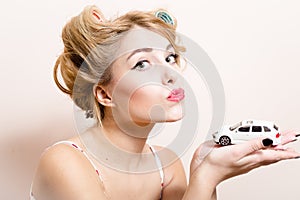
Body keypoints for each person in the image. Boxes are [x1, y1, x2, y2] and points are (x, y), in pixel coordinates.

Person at [30, 5, 300, 200]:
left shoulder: (166, 166)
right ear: (105, 95)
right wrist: (204, 178)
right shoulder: (65, 162)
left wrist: (206, 172)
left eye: (169, 58)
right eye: (142, 63)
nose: (170, 74)